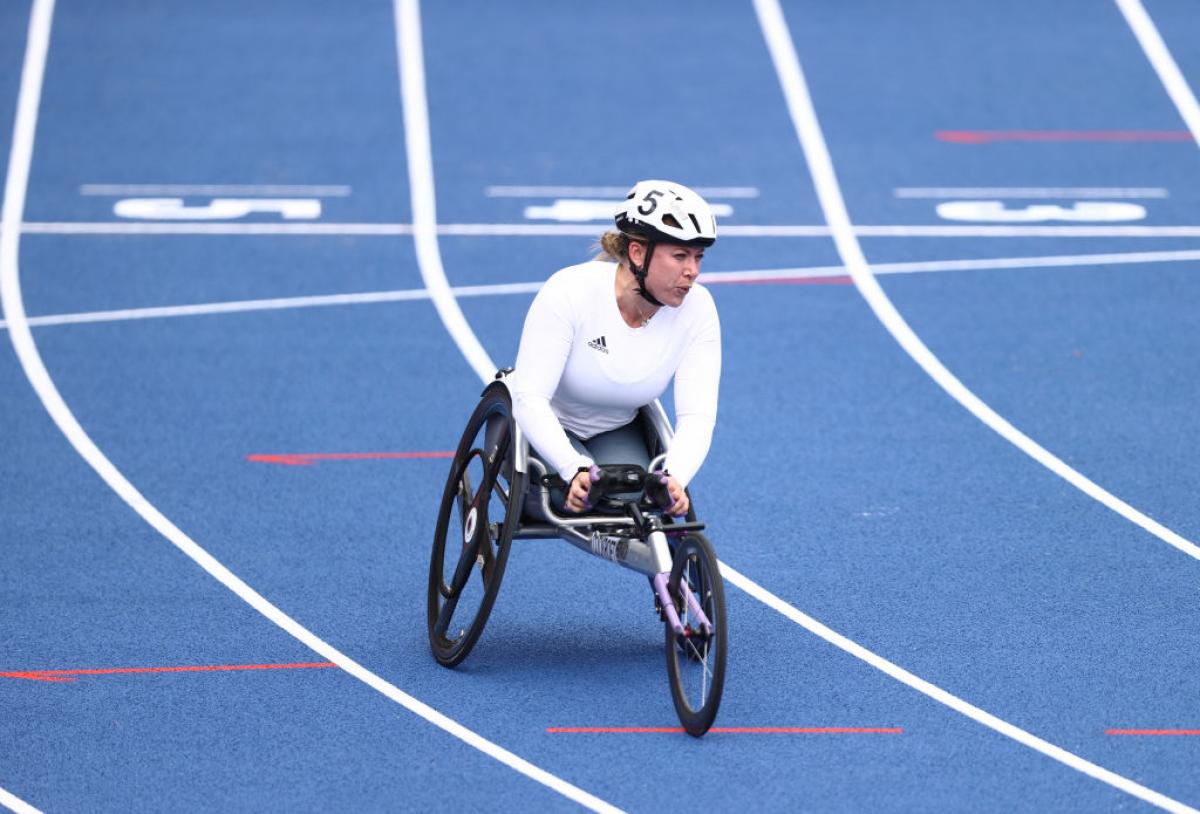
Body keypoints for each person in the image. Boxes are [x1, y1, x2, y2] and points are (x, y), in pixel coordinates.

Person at [509, 180, 721, 518]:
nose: (692, 271)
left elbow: (697, 416)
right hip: (545, 424)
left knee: (640, 499)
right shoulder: (569, 291)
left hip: (616, 427)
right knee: (569, 499)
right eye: (680, 256)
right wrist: (571, 466)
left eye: (698, 257)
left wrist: (675, 477)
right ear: (637, 253)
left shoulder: (699, 308)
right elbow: (529, 399)